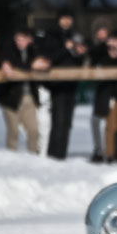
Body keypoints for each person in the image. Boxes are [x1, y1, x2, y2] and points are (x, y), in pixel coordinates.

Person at [41, 13, 89, 158]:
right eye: (64, 18)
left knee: (67, 123)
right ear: (59, 19)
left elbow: (78, 62)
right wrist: (65, 48)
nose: (67, 21)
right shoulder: (52, 35)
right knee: (59, 121)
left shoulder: (75, 36)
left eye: (69, 18)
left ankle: (62, 154)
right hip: (57, 84)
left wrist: (80, 54)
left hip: (71, 84)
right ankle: (53, 154)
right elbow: (51, 58)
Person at [91, 30, 117, 161]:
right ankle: (110, 154)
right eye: (113, 40)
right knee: (110, 126)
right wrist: (107, 49)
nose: (115, 44)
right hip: (108, 96)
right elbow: (94, 60)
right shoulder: (102, 54)